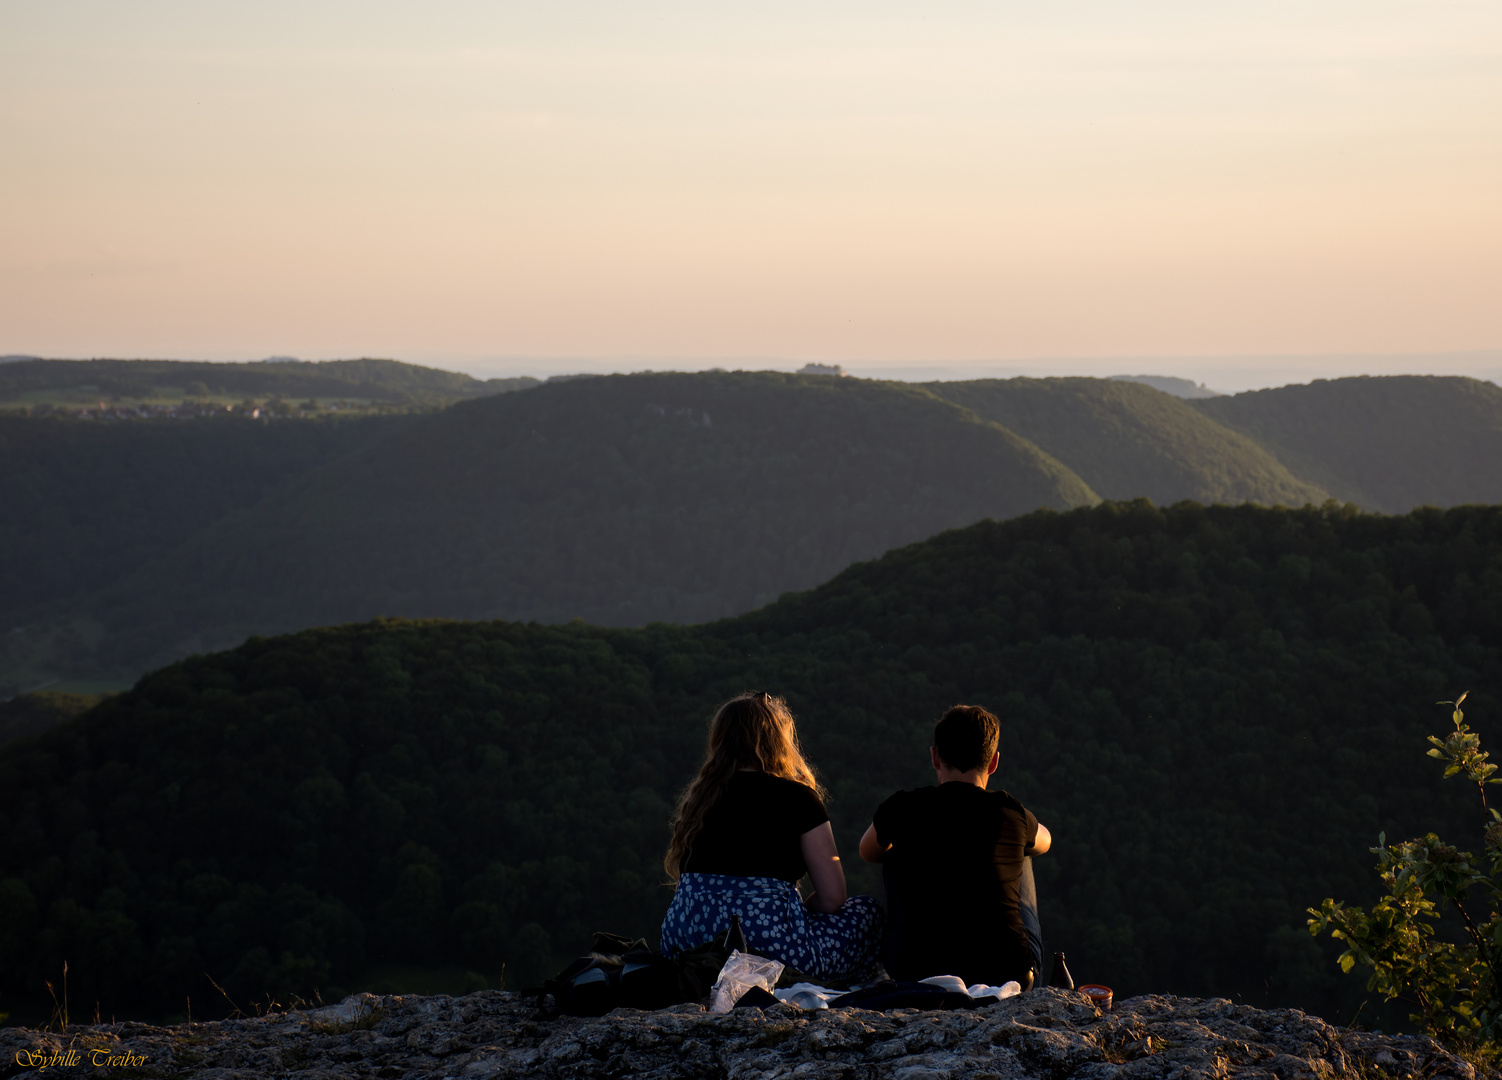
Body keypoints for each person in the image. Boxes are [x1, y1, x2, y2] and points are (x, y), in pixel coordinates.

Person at [659, 692, 882, 984]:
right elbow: (832, 898)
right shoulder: (798, 798)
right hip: (768, 949)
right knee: (867, 912)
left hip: (685, 944)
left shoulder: (700, 799)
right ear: (777, 741)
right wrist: (791, 913)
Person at [859, 704, 1050, 989]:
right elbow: (1046, 841)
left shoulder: (903, 807)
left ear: (935, 757)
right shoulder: (1009, 812)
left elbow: (867, 851)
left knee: (892, 848)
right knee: (1023, 852)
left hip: (914, 972)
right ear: (994, 762)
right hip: (1007, 975)